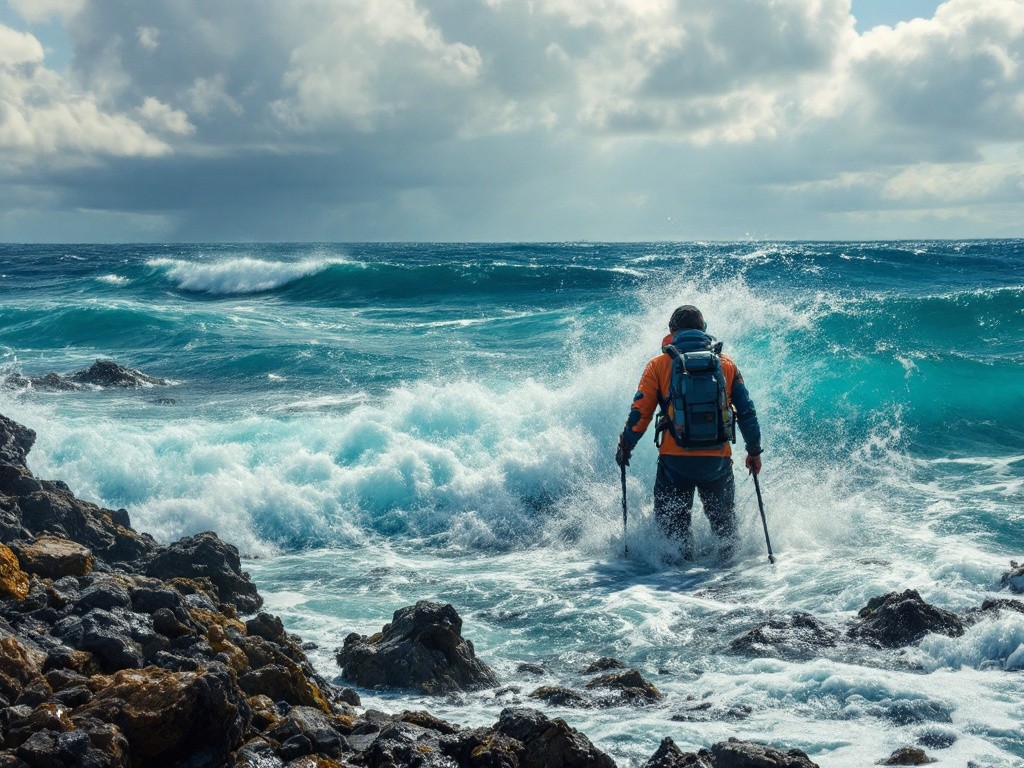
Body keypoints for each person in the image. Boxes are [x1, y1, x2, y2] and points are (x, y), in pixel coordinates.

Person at [616, 305, 762, 558]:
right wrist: (754, 451)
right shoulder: (725, 364)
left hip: (675, 462)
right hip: (716, 461)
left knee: (673, 535)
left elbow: (641, 413)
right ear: (703, 330)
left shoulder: (659, 364)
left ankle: (677, 586)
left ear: (672, 332)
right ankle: (732, 581)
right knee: (725, 529)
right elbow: (747, 412)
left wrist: (626, 445)